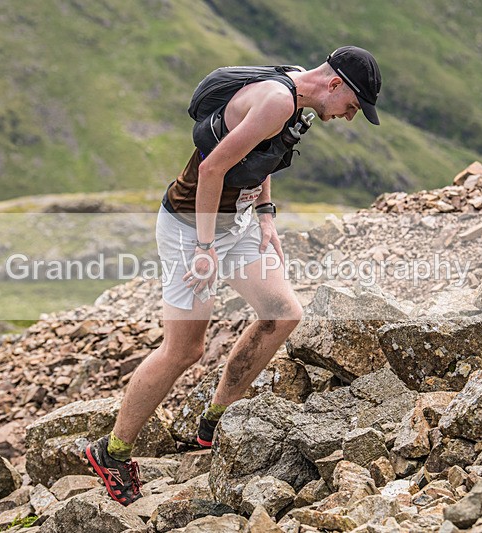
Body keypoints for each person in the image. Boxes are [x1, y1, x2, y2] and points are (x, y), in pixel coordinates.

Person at [86, 46, 382, 505]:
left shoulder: (300, 101)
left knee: (282, 314)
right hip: (192, 224)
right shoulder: (278, 99)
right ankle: (112, 450)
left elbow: (265, 154)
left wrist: (265, 213)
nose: (349, 116)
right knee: (184, 350)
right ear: (336, 84)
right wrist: (204, 248)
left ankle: (214, 421)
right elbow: (212, 167)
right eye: (353, 106)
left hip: (238, 221)